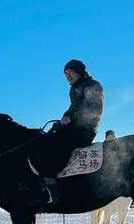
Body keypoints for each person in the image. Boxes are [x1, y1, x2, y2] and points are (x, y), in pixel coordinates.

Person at [30, 59, 104, 207]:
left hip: (85, 129)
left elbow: (92, 108)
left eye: (70, 72)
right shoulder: (75, 88)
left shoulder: (92, 86)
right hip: (73, 127)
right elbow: (72, 108)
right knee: (44, 140)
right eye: (66, 74)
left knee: (55, 147)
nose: (68, 77)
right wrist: (61, 121)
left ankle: (52, 191)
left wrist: (72, 118)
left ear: (79, 71)